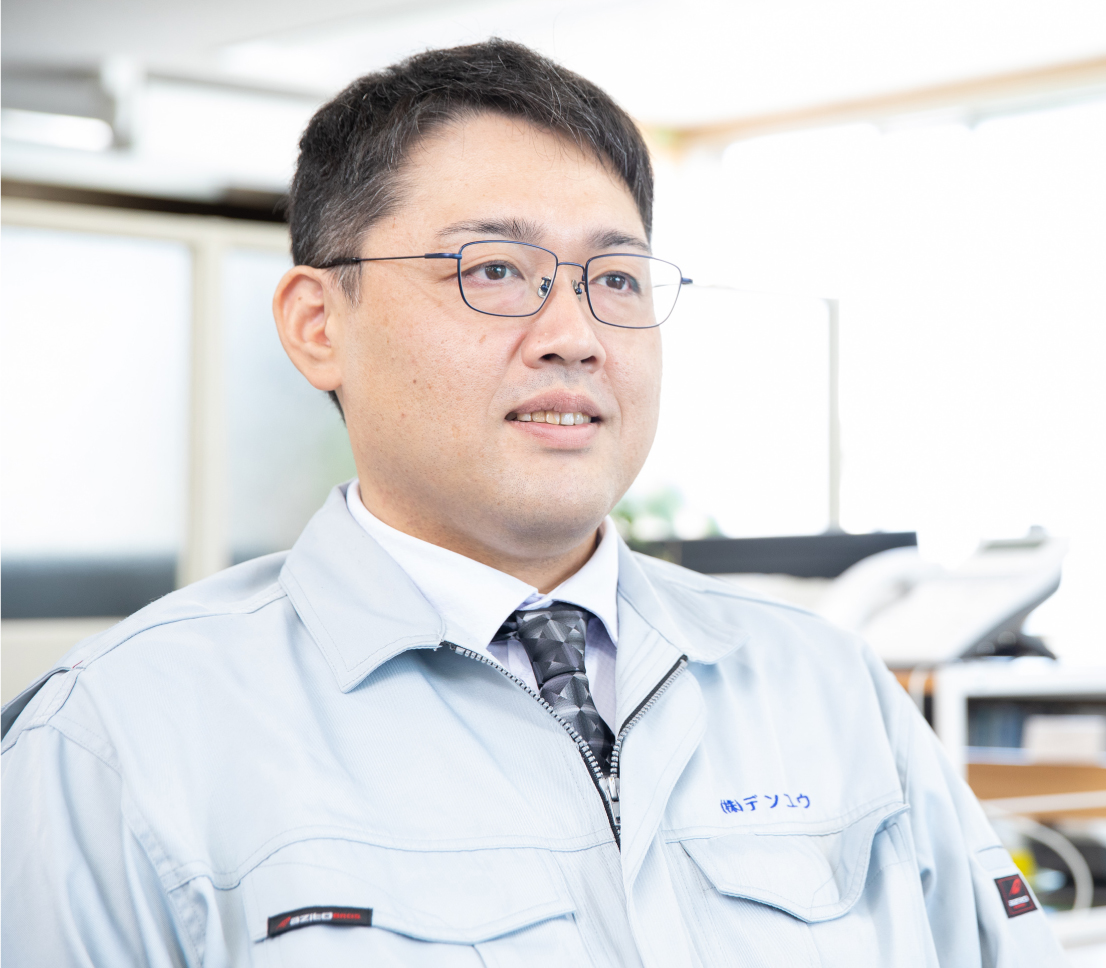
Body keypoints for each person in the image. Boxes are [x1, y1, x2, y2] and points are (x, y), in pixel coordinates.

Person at [1, 39, 1065, 967]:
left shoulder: (826, 689)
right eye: (495, 271)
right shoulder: (119, 739)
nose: (574, 335)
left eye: (616, 279)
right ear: (319, 325)